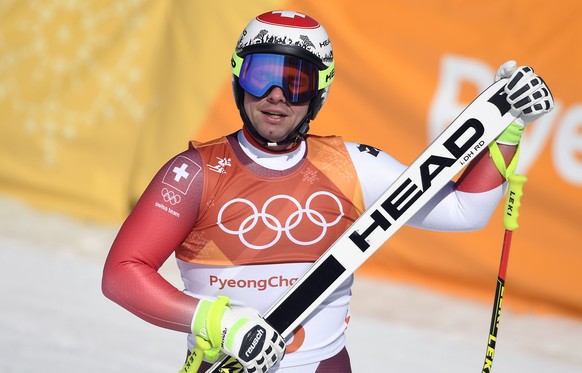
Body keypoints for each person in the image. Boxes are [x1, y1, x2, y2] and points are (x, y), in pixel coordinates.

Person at [102, 9, 554, 373]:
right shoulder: (195, 173)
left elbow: (463, 211)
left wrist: (507, 129)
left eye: (296, 81)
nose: (276, 95)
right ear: (239, 78)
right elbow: (122, 273)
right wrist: (220, 323)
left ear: (320, 91)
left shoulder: (351, 165)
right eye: (262, 76)